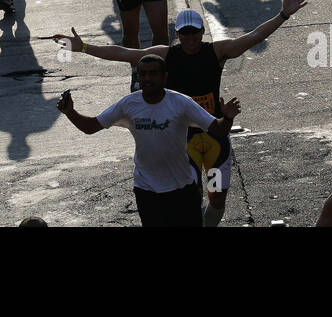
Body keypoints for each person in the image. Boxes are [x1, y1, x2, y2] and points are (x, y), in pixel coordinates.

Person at [56, 55, 239, 227]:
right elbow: (91, 126)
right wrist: (70, 112)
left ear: (165, 76)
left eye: (153, 73)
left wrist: (228, 118)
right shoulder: (128, 105)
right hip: (147, 190)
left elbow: (218, 129)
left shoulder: (181, 103)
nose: (147, 78)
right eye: (143, 74)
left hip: (182, 189)